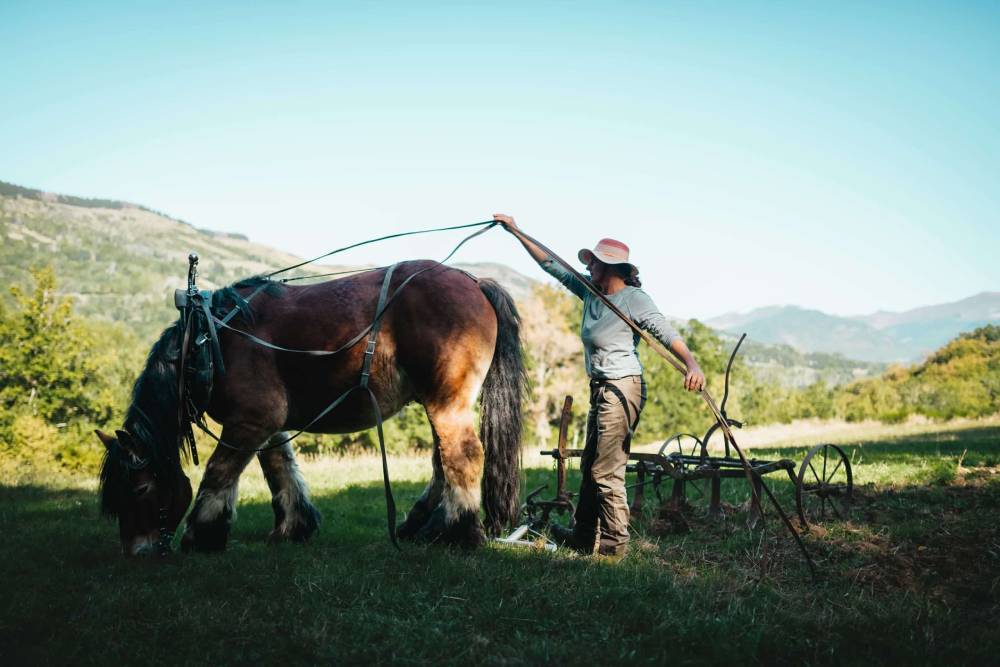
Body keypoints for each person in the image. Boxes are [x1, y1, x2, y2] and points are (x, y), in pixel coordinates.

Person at [495, 213, 705, 557]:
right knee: (590, 463)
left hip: (624, 389)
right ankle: (582, 536)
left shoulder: (634, 299)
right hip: (602, 389)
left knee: (607, 470)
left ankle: (613, 548)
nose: (588, 266)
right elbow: (552, 265)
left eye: (594, 262)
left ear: (612, 267)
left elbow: (666, 333)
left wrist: (692, 364)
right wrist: (516, 231)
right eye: (589, 261)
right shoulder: (592, 293)